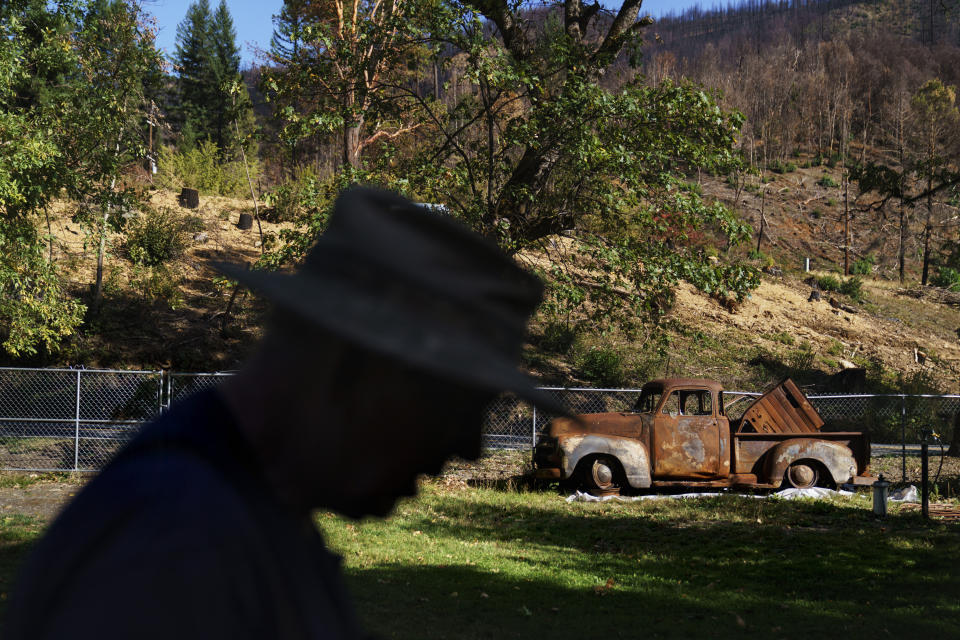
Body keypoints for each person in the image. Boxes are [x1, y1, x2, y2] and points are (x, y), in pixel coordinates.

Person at [5, 187, 564, 639]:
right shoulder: (175, 546)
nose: (468, 446)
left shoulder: (250, 514)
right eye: (456, 404)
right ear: (351, 366)